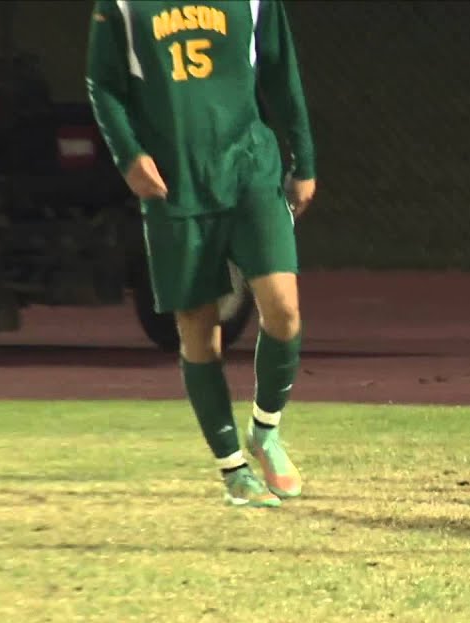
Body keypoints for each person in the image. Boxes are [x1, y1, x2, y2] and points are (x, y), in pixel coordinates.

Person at [87, 1, 316, 508]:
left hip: (250, 170)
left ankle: (266, 430)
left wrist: (304, 158)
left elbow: (281, 70)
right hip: (176, 184)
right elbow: (102, 85)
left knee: (284, 310)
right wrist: (129, 155)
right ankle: (233, 468)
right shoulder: (123, 5)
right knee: (198, 327)